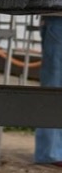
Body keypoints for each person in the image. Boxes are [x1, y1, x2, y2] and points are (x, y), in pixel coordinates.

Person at [34, 14, 62, 165]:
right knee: (55, 82)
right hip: (57, 15)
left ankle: (53, 151)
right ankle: (51, 152)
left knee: (55, 80)